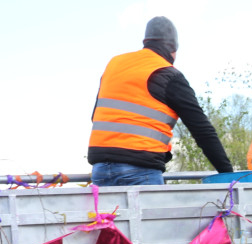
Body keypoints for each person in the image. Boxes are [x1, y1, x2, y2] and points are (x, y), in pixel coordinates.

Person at [87, 16, 233, 186]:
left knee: (111, 214)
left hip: (100, 171)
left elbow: (96, 116)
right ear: (172, 48)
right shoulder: (168, 74)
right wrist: (228, 174)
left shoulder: (114, 65)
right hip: (140, 170)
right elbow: (202, 131)